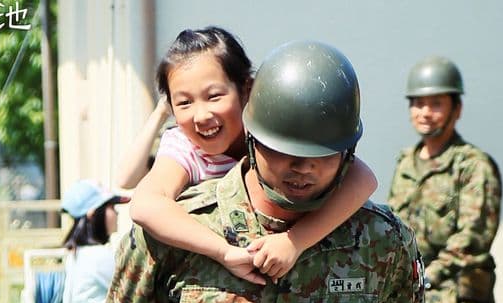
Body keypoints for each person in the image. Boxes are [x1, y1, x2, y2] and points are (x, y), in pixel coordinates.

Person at [95, 40, 426, 303]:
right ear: (253, 136)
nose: (303, 167)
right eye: (285, 150)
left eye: (322, 154)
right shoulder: (178, 232)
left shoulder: (381, 243)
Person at [128, 26, 378, 286]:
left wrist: (296, 242)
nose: (201, 116)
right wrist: (222, 251)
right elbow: (146, 204)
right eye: (184, 103)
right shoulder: (185, 147)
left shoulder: (268, 132)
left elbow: (363, 179)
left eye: (214, 96)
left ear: (246, 89)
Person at [387, 56, 503, 303]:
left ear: (456, 108)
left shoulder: (473, 167)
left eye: (436, 103)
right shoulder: (405, 163)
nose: (424, 112)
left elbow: (474, 235)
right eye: (418, 103)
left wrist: (429, 274)